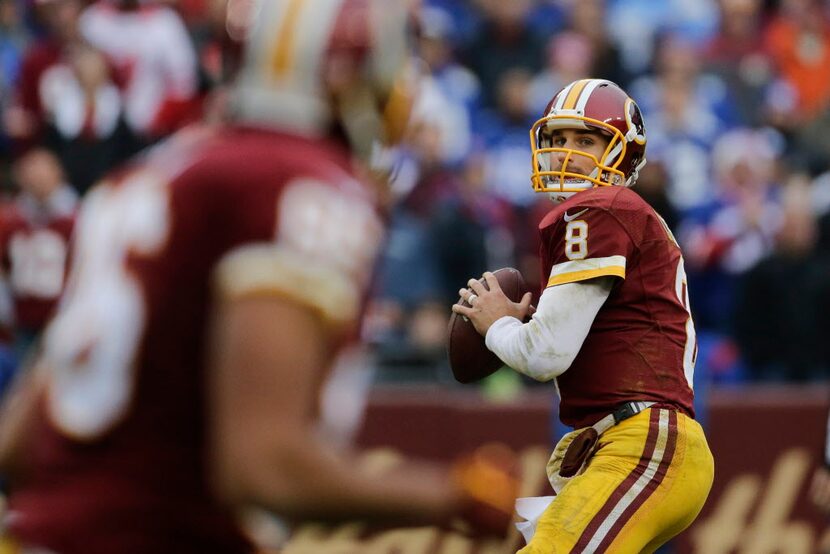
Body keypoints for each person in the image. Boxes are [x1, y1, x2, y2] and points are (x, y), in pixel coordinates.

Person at [0, 2, 518, 553]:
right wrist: (452, 496)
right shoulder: (297, 186)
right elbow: (261, 465)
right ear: (346, 74)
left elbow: (17, 444)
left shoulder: (155, 170)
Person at [452, 78, 714, 553]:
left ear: (623, 155)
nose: (567, 152)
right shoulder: (619, 214)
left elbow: (545, 353)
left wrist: (497, 325)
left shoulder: (600, 208)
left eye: (586, 140)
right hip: (629, 442)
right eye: (557, 139)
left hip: (642, 445)